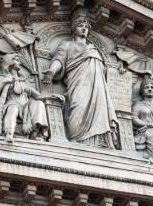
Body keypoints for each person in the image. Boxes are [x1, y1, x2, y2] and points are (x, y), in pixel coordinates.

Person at [41, 16, 118, 148]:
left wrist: (118, 70)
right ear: (73, 29)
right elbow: (59, 59)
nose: (84, 28)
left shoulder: (93, 49)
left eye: (86, 27)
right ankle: (76, 139)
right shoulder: (67, 45)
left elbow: (104, 71)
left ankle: (98, 141)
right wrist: (52, 71)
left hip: (97, 87)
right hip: (78, 83)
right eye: (80, 26)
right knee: (78, 106)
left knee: (100, 109)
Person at [0, 53, 63, 144]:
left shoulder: (24, 80)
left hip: (26, 106)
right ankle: (9, 134)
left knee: (39, 104)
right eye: (17, 59)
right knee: (13, 108)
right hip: (12, 103)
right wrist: (4, 81)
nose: (20, 62)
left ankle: (34, 134)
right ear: (10, 63)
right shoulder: (2, 77)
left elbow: (37, 96)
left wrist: (52, 95)